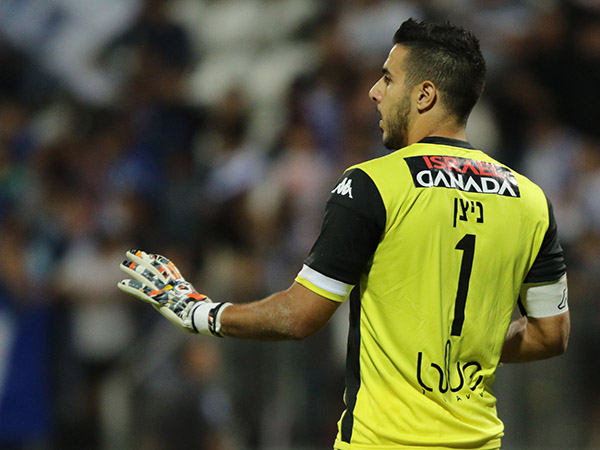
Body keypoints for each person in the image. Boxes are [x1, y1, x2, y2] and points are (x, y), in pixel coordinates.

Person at [118, 18, 570, 450]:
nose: (374, 92)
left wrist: (202, 312)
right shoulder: (530, 200)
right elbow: (551, 335)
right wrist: (467, 345)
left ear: (424, 95)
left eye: (388, 78)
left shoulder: (373, 185)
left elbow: (299, 316)